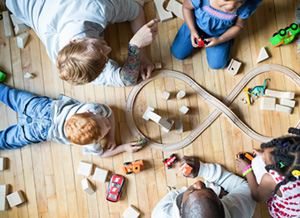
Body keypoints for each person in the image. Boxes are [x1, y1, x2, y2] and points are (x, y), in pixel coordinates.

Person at [6, 0, 159, 86]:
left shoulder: (95, 8)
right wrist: (135, 48)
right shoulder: (66, 60)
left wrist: (142, 52)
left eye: (99, 46)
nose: (109, 48)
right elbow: (126, 80)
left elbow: (136, 10)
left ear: (76, 41)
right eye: (105, 57)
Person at [0, 83, 142, 157]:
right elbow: (103, 153)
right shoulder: (93, 114)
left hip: (38, 121)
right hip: (41, 115)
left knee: (8, 138)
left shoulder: (94, 112)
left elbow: (109, 114)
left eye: (105, 125)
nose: (109, 124)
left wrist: (111, 137)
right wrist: (122, 147)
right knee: (10, 96)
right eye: (106, 124)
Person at [152, 156, 255, 218]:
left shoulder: (161, 214)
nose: (199, 182)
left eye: (192, 190)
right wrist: (204, 170)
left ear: (181, 211)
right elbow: (245, 188)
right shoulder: (239, 210)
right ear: (222, 205)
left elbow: (173, 195)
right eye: (209, 190)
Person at [171, 0, 262, 69]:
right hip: (195, 27)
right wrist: (192, 30)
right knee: (177, 53)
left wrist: (221, 39)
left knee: (217, 65)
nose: (231, 6)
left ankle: (228, 41)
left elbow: (239, 25)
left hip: (220, 35)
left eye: (240, 1)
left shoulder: (246, 6)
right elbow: (186, 8)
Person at [236, 127, 300, 218]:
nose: (262, 158)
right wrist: (267, 156)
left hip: (289, 213)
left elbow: (258, 197)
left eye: (265, 161)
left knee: (256, 162)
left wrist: (247, 170)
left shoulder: (271, 179)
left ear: (278, 168)